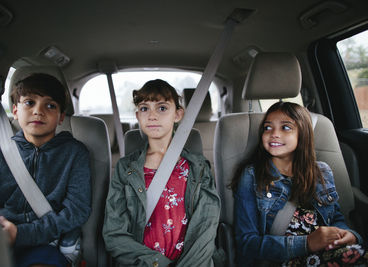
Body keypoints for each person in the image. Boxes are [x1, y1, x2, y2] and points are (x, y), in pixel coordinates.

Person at [0, 73, 92, 267]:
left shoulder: (74, 154)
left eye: (50, 105)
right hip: (0, 236)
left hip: (46, 239)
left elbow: (77, 210)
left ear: (61, 117)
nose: (38, 111)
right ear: (15, 110)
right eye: (29, 103)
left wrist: (22, 234)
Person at [232, 101, 368, 266]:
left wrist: (349, 235)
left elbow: (335, 218)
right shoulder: (252, 175)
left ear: (303, 134)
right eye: (268, 127)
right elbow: (247, 242)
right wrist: (307, 243)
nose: (274, 133)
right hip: (282, 260)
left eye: (286, 127)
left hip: (328, 253)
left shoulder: (321, 172)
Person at [103, 79, 221, 267]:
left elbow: (206, 225)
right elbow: (114, 233)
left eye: (162, 108)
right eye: (144, 109)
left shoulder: (198, 168)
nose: (152, 116)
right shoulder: (125, 168)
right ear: (137, 116)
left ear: (178, 114)